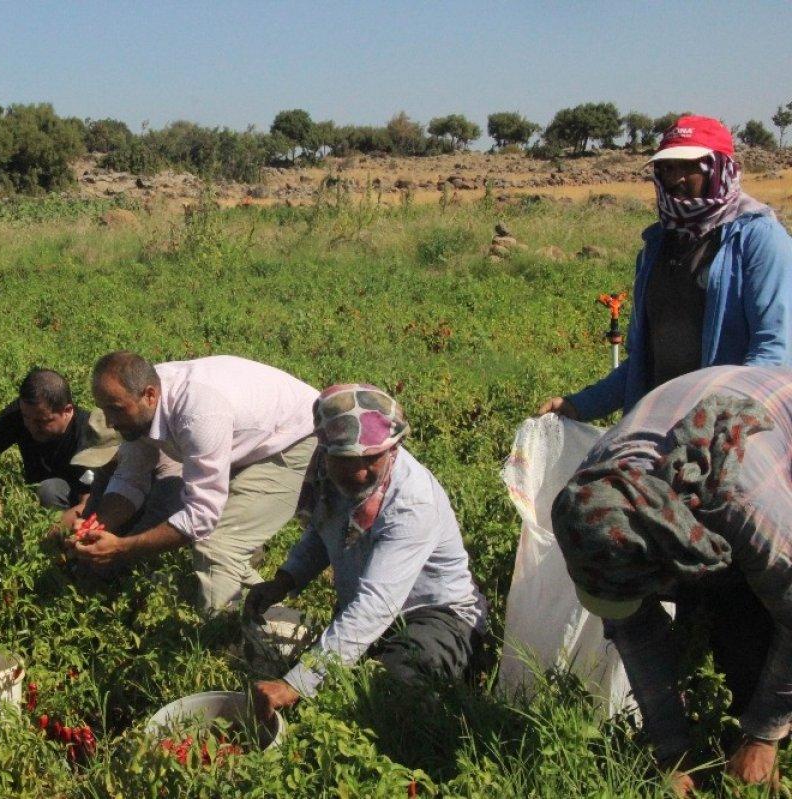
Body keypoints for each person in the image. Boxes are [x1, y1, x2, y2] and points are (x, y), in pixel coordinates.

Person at [551, 365, 792, 794]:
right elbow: (633, 631)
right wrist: (671, 753)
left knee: (755, 634)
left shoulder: (742, 504)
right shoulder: (593, 499)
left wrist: (764, 735)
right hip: (703, 411)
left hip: (775, 426)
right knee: (725, 617)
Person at [243, 384, 488, 720]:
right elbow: (322, 530)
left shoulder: (411, 502)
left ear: (393, 447)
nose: (357, 472)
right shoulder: (327, 473)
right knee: (322, 672)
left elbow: (376, 605)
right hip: (368, 607)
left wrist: (296, 683)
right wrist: (284, 581)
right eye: (344, 459)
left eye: (370, 458)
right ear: (325, 449)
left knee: (394, 688)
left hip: (437, 613)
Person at [538, 115, 792, 422]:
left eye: (689, 166)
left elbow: (773, 349)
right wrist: (581, 405)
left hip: (725, 428)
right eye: (668, 167)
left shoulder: (758, 238)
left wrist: (725, 421)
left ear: (717, 168)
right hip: (657, 425)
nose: (675, 178)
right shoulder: (658, 244)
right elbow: (642, 362)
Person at [69, 351, 318, 614]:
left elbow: (201, 517)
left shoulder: (197, 412)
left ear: (150, 395)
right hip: (249, 437)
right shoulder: (139, 406)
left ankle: (229, 642)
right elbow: (130, 480)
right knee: (221, 546)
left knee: (217, 544)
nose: (110, 422)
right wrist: (93, 525)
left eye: (116, 410)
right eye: (104, 409)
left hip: (295, 437)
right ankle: (272, 617)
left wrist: (121, 548)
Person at [0, 368, 106, 515]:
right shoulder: (23, 412)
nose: (31, 426)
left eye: (42, 421)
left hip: (83, 500)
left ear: (67, 410)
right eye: (26, 418)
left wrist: (58, 529)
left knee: (49, 490)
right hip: (40, 496)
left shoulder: (88, 434)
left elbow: (91, 502)